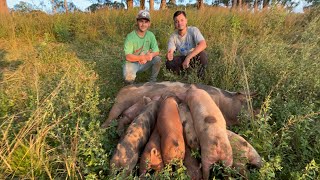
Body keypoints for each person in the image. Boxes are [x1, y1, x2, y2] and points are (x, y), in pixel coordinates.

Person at [123, 10, 162, 84]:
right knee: (128, 77)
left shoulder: (150, 35)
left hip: (146, 62)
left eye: (146, 22)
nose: (143, 24)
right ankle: (131, 87)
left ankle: (152, 81)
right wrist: (143, 57)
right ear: (137, 22)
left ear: (149, 24)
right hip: (133, 63)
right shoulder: (130, 37)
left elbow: (157, 51)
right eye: (141, 21)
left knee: (157, 59)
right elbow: (128, 57)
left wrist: (151, 55)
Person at [166, 10, 208, 78]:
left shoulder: (193, 30)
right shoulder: (173, 36)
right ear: (174, 24)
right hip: (183, 58)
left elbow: (203, 44)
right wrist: (169, 55)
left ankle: (200, 78)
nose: (179, 23)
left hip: (193, 56)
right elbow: (170, 50)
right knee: (169, 62)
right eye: (176, 21)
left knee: (202, 55)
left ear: (186, 21)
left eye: (182, 20)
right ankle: (183, 77)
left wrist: (188, 58)